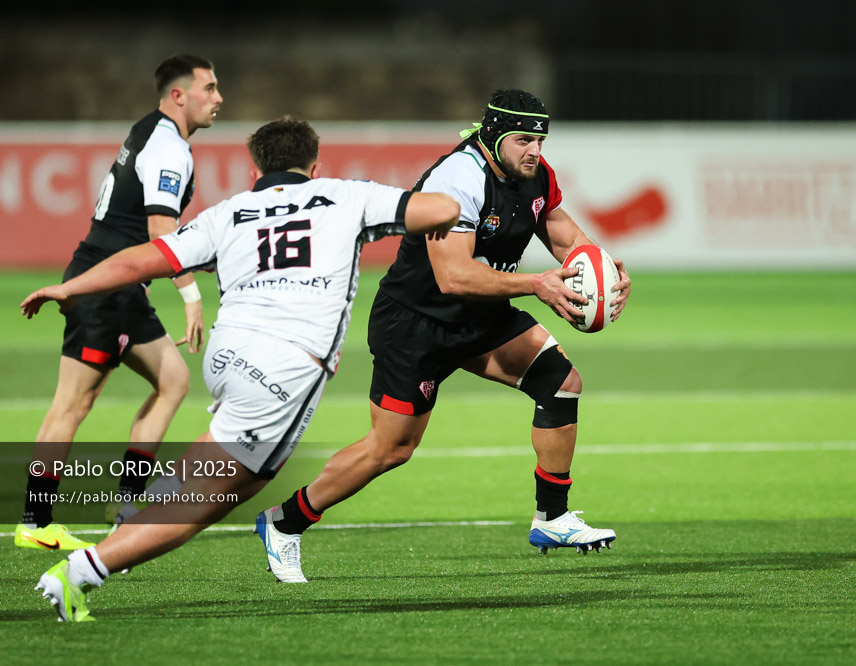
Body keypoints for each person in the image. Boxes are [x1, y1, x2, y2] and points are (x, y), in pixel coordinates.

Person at [24, 116, 459, 621]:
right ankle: (81, 572)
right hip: (283, 368)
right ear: (314, 164)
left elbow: (142, 260)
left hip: (227, 357)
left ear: (254, 168)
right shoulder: (346, 196)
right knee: (204, 505)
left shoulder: (229, 212)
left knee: (244, 478)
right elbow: (442, 207)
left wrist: (71, 287)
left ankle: (144, 511)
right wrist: (440, 220)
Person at [259, 89, 633, 583]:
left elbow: (564, 235)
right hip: (416, 324)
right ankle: (283, 523)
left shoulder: (535, 175)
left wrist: (600, 270)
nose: (535, 150)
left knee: (561, 381)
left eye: (541, 139)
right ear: (495, 134)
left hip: (481, 316)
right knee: (391, 449)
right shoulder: (456, 180)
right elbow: (453, 276)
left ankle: (553, 518)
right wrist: (536, 284)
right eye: (524, 139)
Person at [13, 54, 224, 552]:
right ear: (179, 95)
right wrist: (192, 296)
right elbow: (160, 231)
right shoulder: (169, 147)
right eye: (209, 88)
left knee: (172, 380)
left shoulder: (150, 131)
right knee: (73, 403)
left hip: (123, 290)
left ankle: (127, 504)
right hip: (103, 288)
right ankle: (35, 521)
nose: (218, 98)